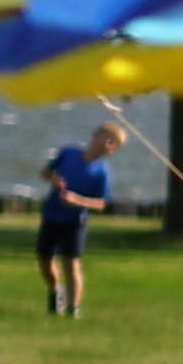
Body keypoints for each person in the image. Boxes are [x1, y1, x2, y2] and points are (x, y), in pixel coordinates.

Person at [35, 121, 126, 317]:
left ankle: (73, 308)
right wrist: (54, 180)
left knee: (71, 263)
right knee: (45, 259)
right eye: (109, 140)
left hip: (75, 222)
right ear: (96, 136)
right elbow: (45, 172)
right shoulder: (68, 154)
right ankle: (54, 291)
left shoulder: (101, 172)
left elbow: (101, 203)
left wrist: (76, 200)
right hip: (52, 214)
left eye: (115, 145)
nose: (110, 147)